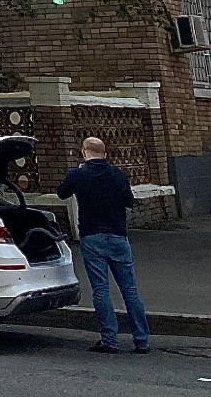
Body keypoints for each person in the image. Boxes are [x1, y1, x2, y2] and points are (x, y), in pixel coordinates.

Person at [57, 136, 150, 354]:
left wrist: (79, 174)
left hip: (92, 237)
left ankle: (109, 340)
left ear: (84, 152)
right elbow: (129, 202)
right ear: (105, 154)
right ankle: (142, 340)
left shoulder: (77, 174)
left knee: (101, 289)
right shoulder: (118, 174)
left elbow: (62, 193)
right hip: (118, 236)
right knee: (130, 290)